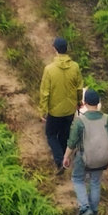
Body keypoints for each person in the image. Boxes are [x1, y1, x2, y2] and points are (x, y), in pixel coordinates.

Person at [63, 89, 108, 215]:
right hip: (102, 156)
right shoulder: (107, 119)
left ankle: (85, 207)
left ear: (84, 103)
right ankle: (94, 209)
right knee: (95, 182)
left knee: (77, 179)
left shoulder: (80, 121)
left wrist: (66, 157)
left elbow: (72, 142)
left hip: (85, 157)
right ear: (98, 103)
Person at [39, 37, 83, 174]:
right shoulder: (75, 67)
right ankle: (67, 158)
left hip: (55, 111)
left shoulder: (49, 69)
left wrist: (43, 110)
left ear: (55, 50)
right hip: (70, 109)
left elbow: (45, 92)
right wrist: (79, 101)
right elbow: (79, 87)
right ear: (67, 49)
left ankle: (59, 161)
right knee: (64, 135)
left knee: (51, 134)